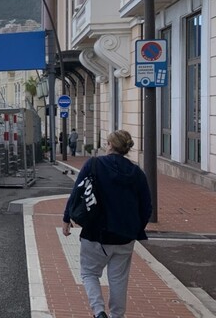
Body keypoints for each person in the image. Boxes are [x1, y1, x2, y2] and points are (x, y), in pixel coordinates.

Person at [62, 130, 152, 318]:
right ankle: (117, 315)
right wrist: (136, 228)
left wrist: (66, 219)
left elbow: (77, 192)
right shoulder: (137, 173)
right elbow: (146, 207)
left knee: (89, 273)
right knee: (118, 279)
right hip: (124, 236)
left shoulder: (94, 164)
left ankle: (99, 311)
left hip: (95, 233)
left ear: (110, 145)